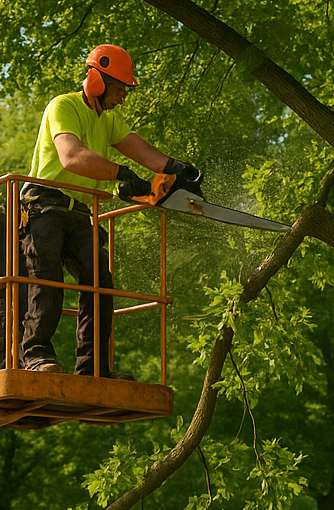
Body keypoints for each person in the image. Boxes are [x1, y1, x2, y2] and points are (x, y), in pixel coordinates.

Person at [19, 44, 201, 377]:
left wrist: (177, 169)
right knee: (46, 279)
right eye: (119, 90)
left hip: (79, 212)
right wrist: (121, 173)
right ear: (96, 81)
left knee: (100, 284)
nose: (122, 98)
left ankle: (93, 368)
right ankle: (35, 355)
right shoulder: (65, 105)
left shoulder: (109, 120)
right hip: (43, 205)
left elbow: (140, 150)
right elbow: (71, 156)